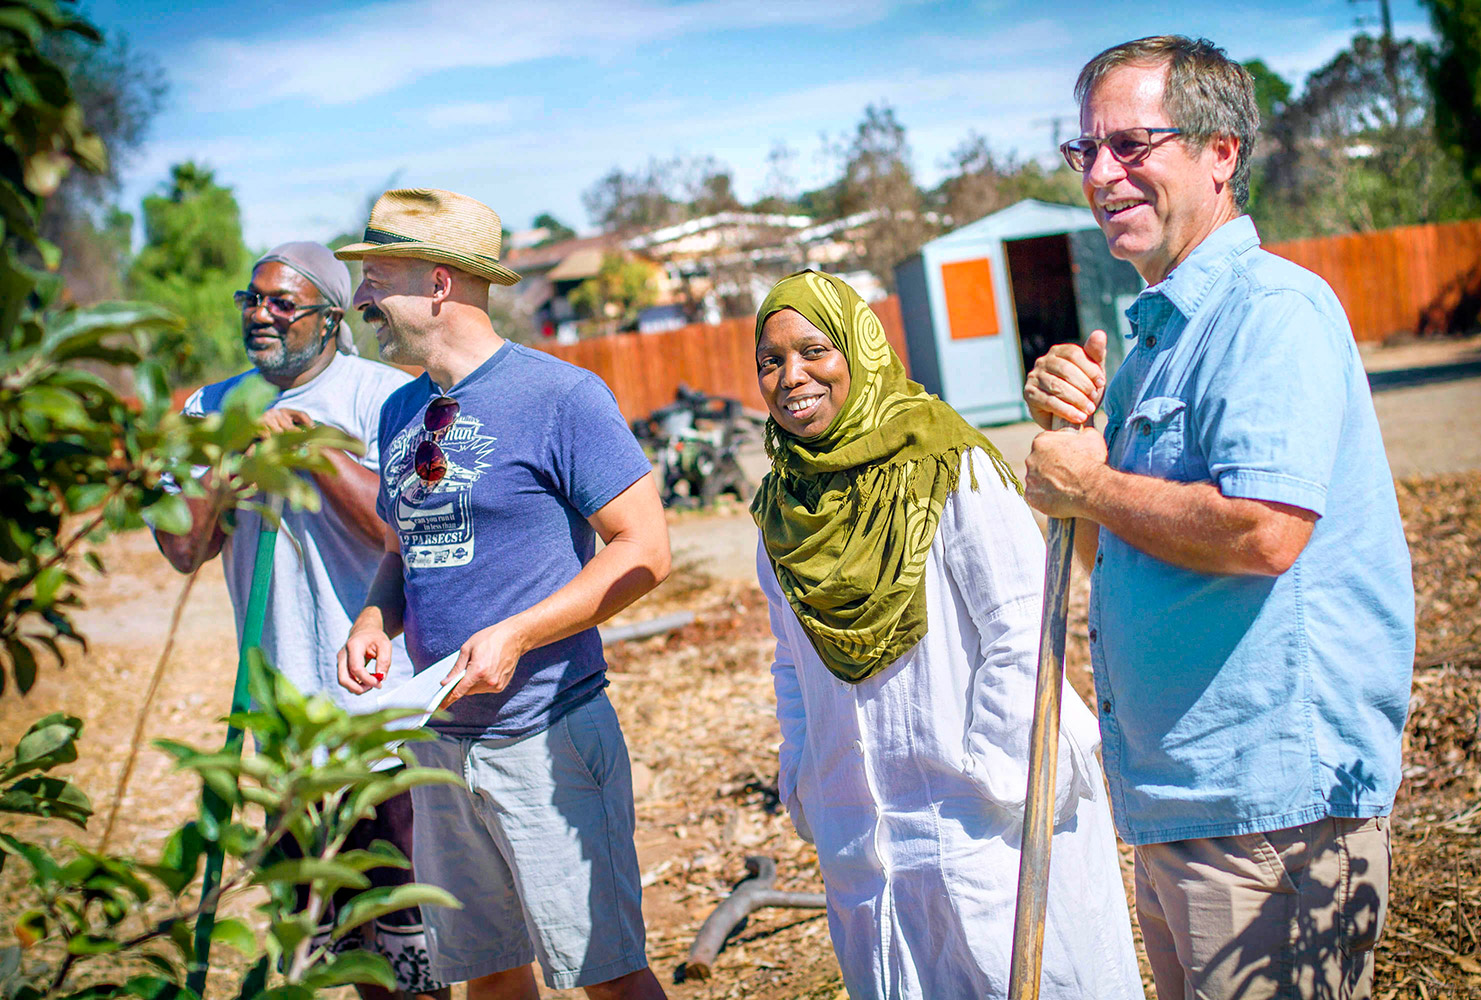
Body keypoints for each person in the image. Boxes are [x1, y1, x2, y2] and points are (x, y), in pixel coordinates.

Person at [1023, 36, 1415, 1000]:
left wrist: (1087, 486)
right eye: (1086, 152)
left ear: (1221, 152)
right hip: (1183, 803)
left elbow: (1264, 532)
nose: (1102, 174)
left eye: (1130, 144)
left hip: (1268, 812)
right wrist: (1080, 443)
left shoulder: (1270, 312)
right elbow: (1126, 558)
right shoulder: (1156, 335)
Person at [751, 269, 1143, 1000]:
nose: (791, 376)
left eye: (813, 351)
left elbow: (1023, 628)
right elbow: (790, 665)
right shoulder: (780, 511)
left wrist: (989, 774)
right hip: (865, 839)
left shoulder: (945, 464)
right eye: (770, 361)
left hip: (987, 824)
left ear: (859, 350)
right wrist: (806, 777)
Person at [334, 189, 672, 1000]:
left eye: (378, 276)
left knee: (609, 979)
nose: (363, 300)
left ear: (441, 284)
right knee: (488, 978)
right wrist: (375, 618)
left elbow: (647, 550)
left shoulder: (563, 397)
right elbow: (399, 547)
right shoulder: (398, 412)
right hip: (437, 744)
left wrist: (518, 633)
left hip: (546, 736)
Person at [153, 241, 445, 999]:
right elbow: (184, 547)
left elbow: (402, 529)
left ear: (332, 315)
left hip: (379, 705)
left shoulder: (388, 397)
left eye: (284, 303)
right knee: (333, 934)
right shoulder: (209, 410)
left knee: (409, 933)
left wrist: (311, 453)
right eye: (253, 300)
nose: (262, 315)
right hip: (281, 712)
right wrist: (226, 467)